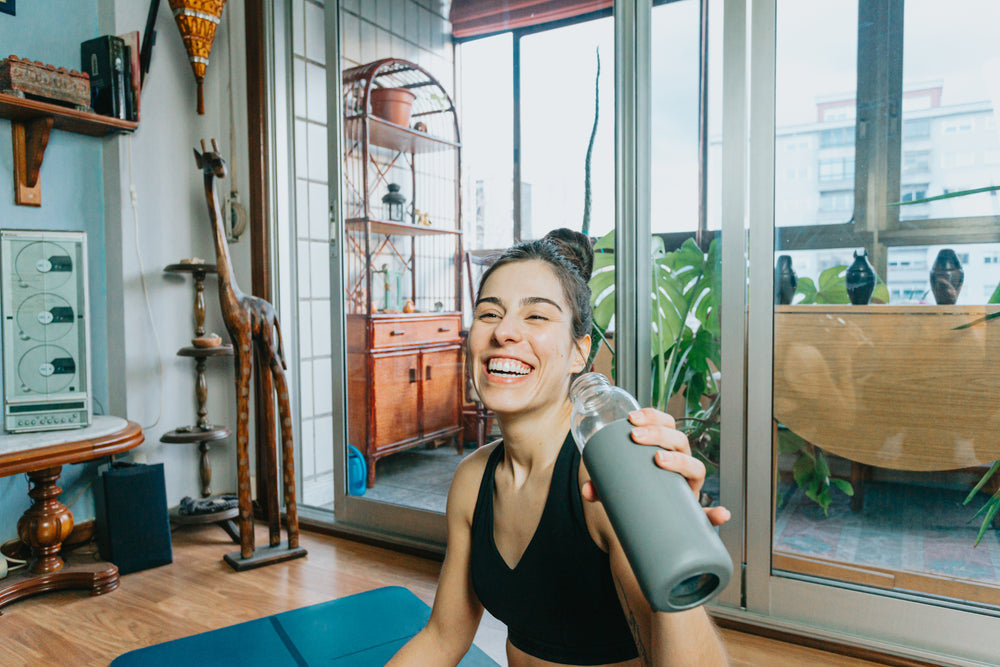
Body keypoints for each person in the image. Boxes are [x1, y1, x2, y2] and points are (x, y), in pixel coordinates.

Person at [388, 228, 730, 666]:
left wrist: (670, 542)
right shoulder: (473, 480)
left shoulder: (603, 480)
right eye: (489, 314)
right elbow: (442, 637)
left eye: (536, 317)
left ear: (578, 352)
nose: (505, 331)